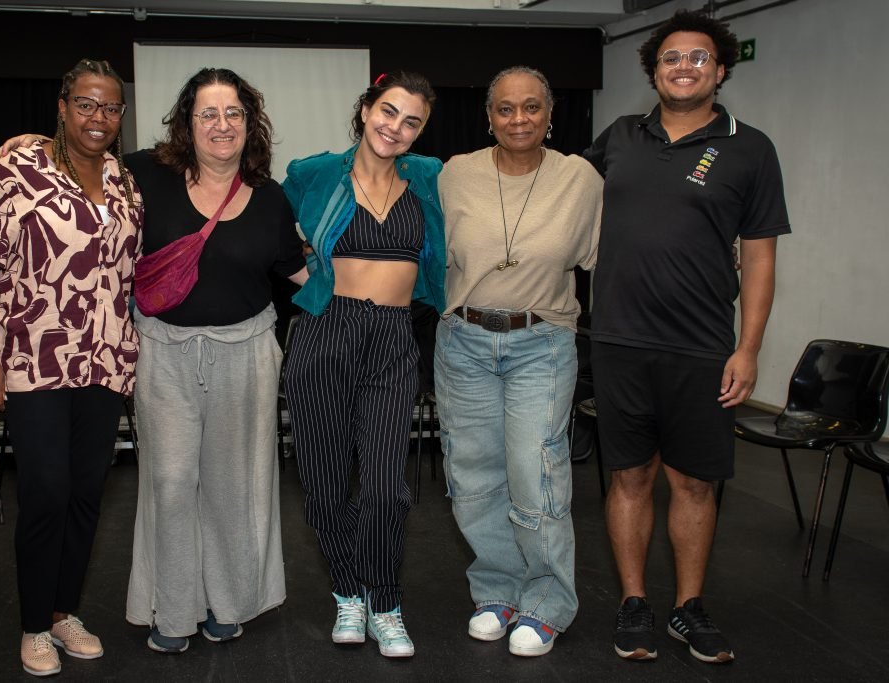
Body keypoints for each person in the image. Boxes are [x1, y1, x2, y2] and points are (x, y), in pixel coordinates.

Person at [0, 67, 308, 654]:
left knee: (232, 488)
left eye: (233, 113)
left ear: (250, 123)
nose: (221, 125)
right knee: (168, 483)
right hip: (162, 352)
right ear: (187, 124)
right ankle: (174, 606)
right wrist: (31, 142)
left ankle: (227, 602)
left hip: (245, 356)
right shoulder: (142, 174)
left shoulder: (269, 196)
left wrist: (366, 290)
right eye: (208, 114)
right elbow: (81, 149)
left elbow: (298, 271)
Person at [583, 9, 790, 664]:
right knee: (630, 476)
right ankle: (636, 602)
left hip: (702, 346)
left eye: (698, 57)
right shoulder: (618, 136)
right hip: (616, 340)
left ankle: (688, 606)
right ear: (654, 70)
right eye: (671, 57)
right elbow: (558, 201)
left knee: (694, 482)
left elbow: (758, 256)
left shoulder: (749, 148)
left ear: (720, 70)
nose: (683, 66)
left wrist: (748, 347)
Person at [0, 58, 143, 677]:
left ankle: (66, 613)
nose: (99, 118)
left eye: (111, 107)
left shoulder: (123, 180)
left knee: (87, 493)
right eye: (86, 104)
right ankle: (35, 624)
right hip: (33, 361)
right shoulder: (15, 169)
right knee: (46, 492)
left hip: (104, 361)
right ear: (63, 105)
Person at [434, 65, 602, 657]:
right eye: (505, 109)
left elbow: (603, 254)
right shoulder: (455, 174)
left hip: (542, 342)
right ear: (489, 117)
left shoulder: (580, 179)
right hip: (464, 341)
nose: (519, 119)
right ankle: (497, 591)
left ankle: (548, 600)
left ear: (550, 114)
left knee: (538, 472)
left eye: (532, 107)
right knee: (474, 475)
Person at [281, 70, 445, 659]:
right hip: (326, 333)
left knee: (383, 486)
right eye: (388, 111)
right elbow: (265, 228)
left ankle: (387, 602)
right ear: (366, 108)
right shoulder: (314, 173)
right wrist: (308, 273)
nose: (395, 127)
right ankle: (349, 593)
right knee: (324, 480)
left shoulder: (428, 179)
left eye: (411, 121)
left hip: (394, 338)